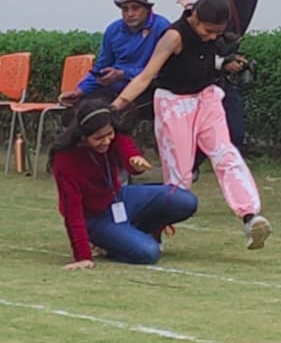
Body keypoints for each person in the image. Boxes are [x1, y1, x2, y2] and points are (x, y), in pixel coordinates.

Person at [108, 0, 272, 249]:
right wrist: (116, 105)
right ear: (195, 19)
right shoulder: (174, 37)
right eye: (208, 31)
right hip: (174, 103)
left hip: (206, 98)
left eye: (217, 33)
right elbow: (146, 76)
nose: (211, 37)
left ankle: (251, 217)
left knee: (225, 154)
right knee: (179, 177)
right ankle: (151, 226)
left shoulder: (205, 21)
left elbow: (195, 11)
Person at [50, 97, 197, 268]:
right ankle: (108, 244)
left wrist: (136, 162)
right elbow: (72, 210)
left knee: (185, 200)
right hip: (94, 217)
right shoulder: (65, 160)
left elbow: (128, 154)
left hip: (119, 197)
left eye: (109, 135)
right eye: (98, 138)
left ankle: (143, 230)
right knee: (149, 253)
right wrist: (83, 256)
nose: (106, 141)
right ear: (83, 136)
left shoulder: (113, 136)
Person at [183, 0, 274, 149]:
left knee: (234, 134)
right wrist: (221, 62)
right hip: (196, 75)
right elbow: (190, 43)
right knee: (209, 133)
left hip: (221, 75)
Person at [59, 0, 168, 105]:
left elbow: (163, 71)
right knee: (85, 109)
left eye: (135, 8)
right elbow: (101, 66)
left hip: (148, 89)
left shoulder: (162, 27)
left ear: (147, 9)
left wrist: (123, 74)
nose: (130, 14)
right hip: (115, 89)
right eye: (125, 9)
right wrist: (80, 91)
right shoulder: (113, 30)